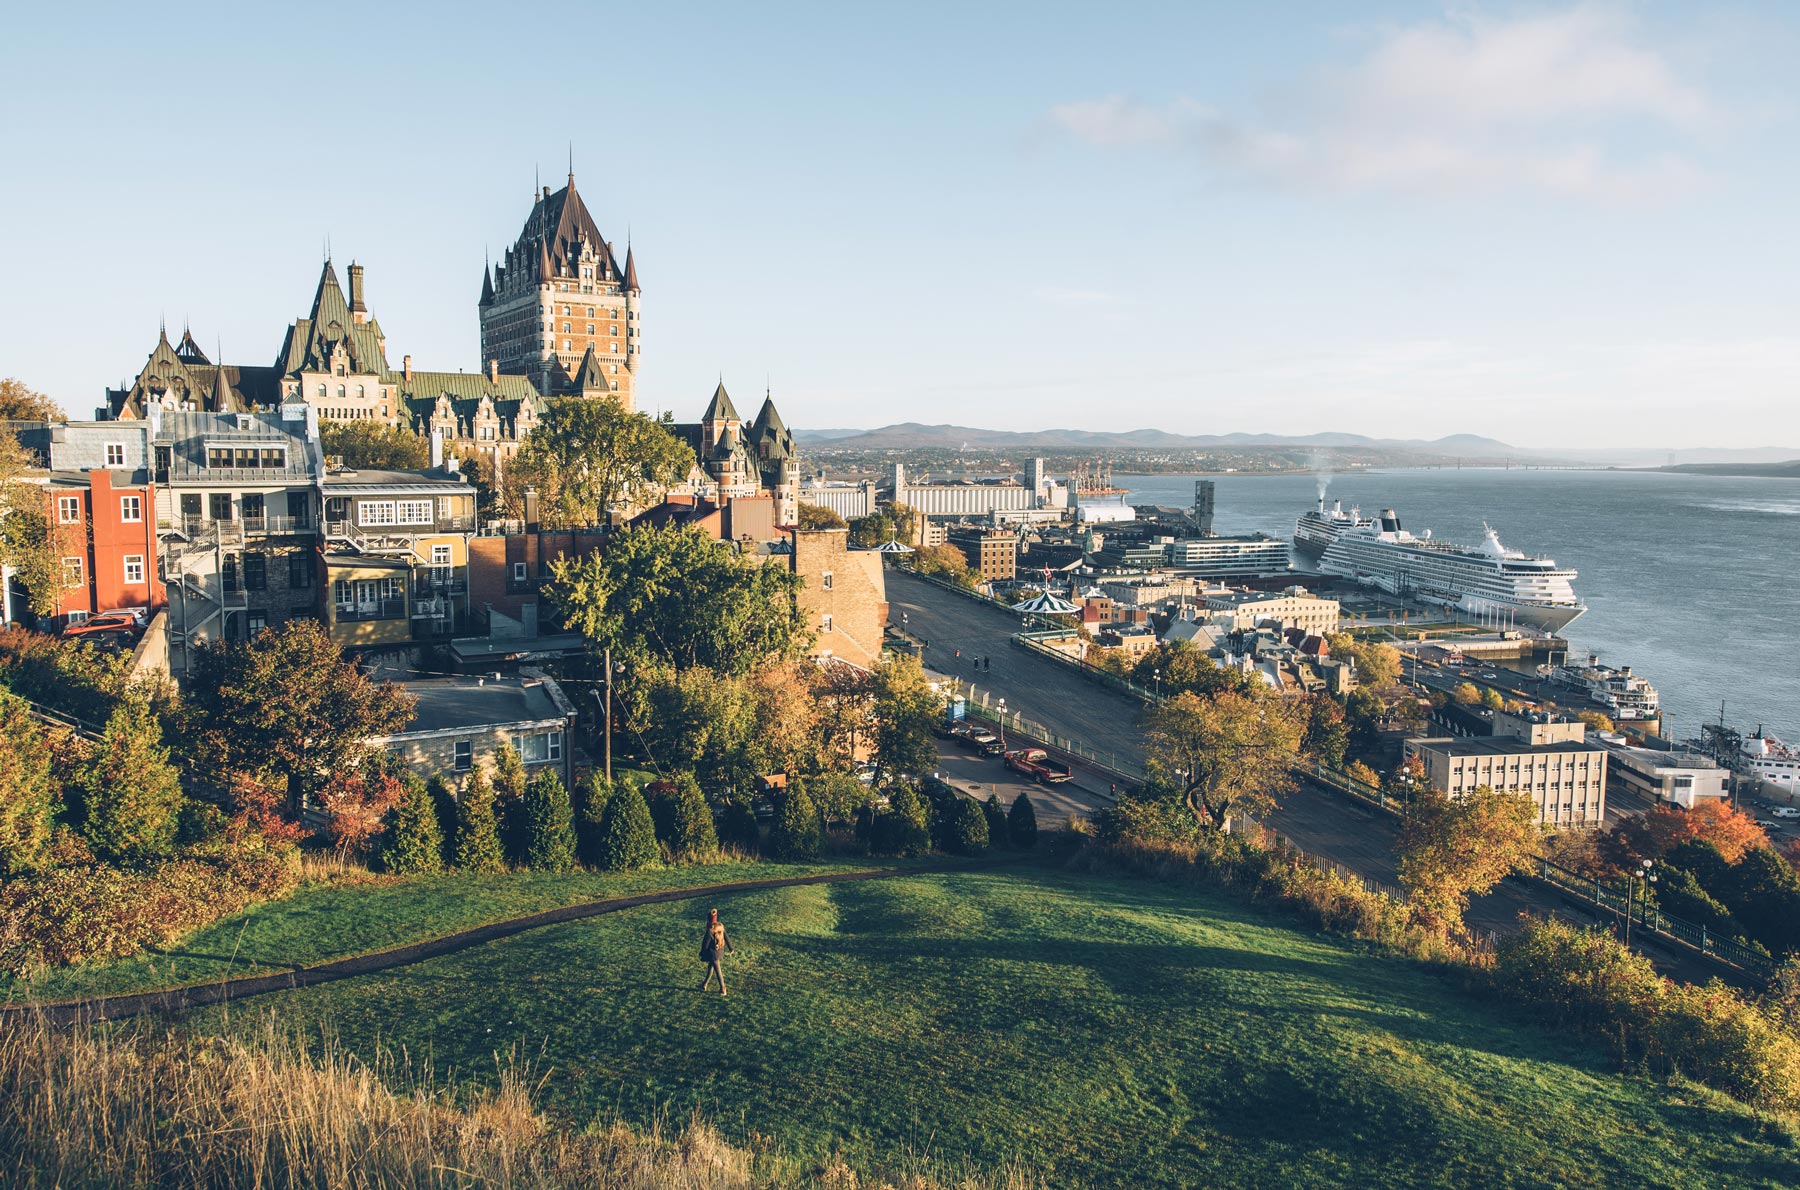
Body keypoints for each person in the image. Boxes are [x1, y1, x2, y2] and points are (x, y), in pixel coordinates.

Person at [698, 907, 734, 996]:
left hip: (712, 954)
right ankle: (704, 984)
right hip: (719, 951)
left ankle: (723, 988)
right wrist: (731, 948)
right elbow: (726, 937)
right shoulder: (720, 927)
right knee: (711, 967)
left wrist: (702, 953)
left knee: (718, 971)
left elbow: (705, 944)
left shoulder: (710, 931)